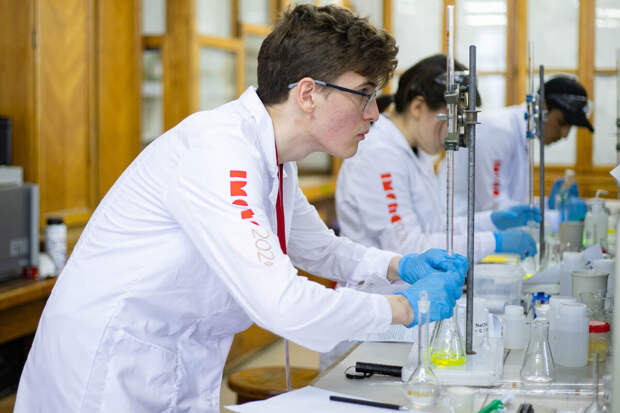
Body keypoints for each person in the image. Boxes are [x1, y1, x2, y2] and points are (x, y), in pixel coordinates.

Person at [14, 5, 468, 413]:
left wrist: (397, 265)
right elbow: (282, 305)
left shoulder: (274, 157)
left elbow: (319, 248)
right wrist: (404, 307)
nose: (374, 113)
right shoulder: (220, 151)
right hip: (107, 372)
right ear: (308, 93)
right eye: (364, 93)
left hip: (168, 361)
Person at [328, 54, 538, 370]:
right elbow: (408, 246)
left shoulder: (418, 153)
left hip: (405, 312)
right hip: (372, 320)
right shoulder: (379, 153)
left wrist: (490, 222)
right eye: (450, 120)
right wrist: (493, 242)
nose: (455, 132)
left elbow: (435, 225)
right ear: (418, 107)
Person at [441, 76, 594, 216]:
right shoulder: (499, 132)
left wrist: (548, 205)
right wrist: (555, 216)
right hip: (458, 228)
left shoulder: (521, 136)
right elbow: (494, 207)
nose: (565, 134)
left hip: (481, 228)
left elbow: (514, 202)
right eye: (562, 123)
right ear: (543, 107)